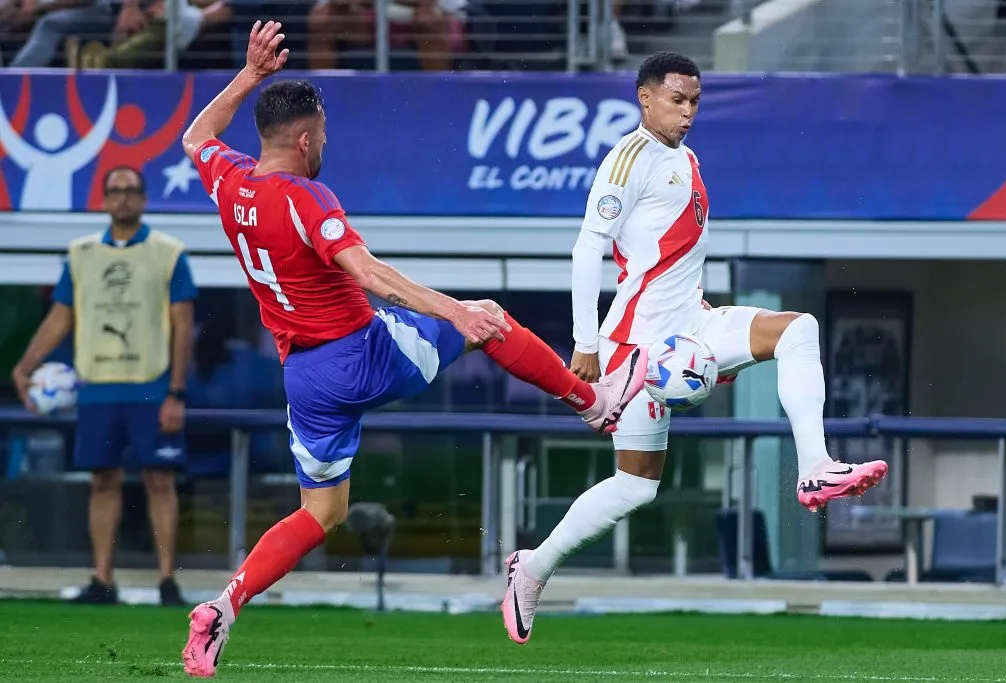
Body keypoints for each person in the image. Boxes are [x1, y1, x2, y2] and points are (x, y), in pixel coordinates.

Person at [178, 21, 648, 677]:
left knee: (323, 510)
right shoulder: (306, 198)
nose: (324, 148)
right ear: (307, 138)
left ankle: (225, 606)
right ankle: (593, 401)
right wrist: (457, 311)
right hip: (361, 354)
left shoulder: (231, 183)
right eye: (323, 139)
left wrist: (249, 76)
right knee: (488, 315)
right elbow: (369, 274)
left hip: (304, 378)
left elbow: (194, 136)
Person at [500, 51, 890, 645]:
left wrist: (708, 323)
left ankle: (814, 469)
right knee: (636, 484)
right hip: (634, 345)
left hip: (690, 327)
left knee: (798, 328)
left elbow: (675, 257)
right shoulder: (627, 160)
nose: (687, 112)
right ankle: (533, 568)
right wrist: (584, 343)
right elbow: (587, 249)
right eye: (677, 100)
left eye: (695, 102)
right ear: (645, 98)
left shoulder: (686, 158)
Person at [12, 165, 196, 607]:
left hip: (150, 384)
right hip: (97, 385)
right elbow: (61, 316)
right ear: (104, 199)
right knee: (103, 480)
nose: (124, 198)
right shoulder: (81, 254)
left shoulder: (168, 252)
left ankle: (168, 582)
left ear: (144, 198)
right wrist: (26, 366)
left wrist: (176, 392)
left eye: (132, 191)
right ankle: (101, 579)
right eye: (116, 191)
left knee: (159, 479)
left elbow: (182, 325)